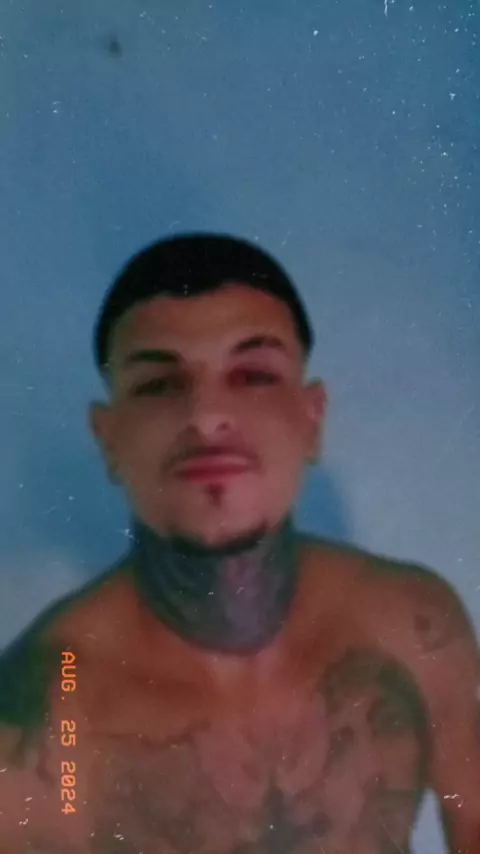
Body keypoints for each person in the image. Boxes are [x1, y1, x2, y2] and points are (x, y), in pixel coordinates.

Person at [0, 233, 478, 854]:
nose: (205, 416)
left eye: (253, 374)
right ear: (108, 438)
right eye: (158, 384)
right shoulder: (50, 711)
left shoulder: (415, 628)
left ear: (312, 419)